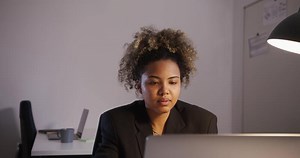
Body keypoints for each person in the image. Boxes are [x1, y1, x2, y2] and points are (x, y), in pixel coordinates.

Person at [92, 26, 218, 158]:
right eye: (154, 82)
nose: (165, 91)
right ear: (139, 86)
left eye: (173, 82)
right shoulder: (115, 122)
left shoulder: (203, 123)